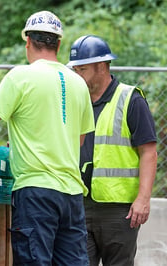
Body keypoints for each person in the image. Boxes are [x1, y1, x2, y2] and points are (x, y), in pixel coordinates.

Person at [0, 10, 94, 265]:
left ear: (27, 41)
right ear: (59, 43)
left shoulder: (21, 77)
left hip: (36, 193)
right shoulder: (78, 83)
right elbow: (80, 140)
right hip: (72, 194)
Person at [67, 35, 157, 266]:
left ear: (101, 66)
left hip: (120, 210)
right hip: (80, 204)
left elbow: (148, 151)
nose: (77, 75)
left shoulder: (130, 100)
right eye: (74, 70)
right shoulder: (76, 101)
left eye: (82, 69)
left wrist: (143, 199)